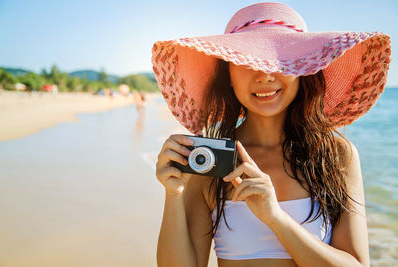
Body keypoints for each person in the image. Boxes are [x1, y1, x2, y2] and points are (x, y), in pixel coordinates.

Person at [152, 2, 391, 267]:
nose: (264, 75)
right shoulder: (213, 161)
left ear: (304, 71)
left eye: (280, 61)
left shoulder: (336, 154)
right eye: (246, 61)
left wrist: (275, 217)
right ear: (228, 74)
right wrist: (173, 195)